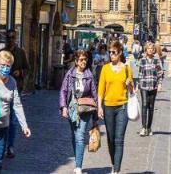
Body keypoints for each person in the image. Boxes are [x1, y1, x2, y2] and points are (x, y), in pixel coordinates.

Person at [0, 49, 31, 173]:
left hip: (3, 128)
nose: (5, 68)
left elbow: (17, 105)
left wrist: (24, 125)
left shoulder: (12, 82)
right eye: (3, 65)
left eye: (8, 66)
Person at [97, 40, 135, 174]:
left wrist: (129, 83)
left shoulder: (126, 68)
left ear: (120, 54)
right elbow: (101, 89)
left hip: (122, 107)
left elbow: (132, 91)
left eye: (114, 52)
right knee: (110, 138)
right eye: (110, 52)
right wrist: (99, 107)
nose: (111, 55)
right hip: (108, 106)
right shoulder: (105, 68)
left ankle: (116, 170)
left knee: (119, 139)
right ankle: (114, 162)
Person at [59, 49, 98, 174]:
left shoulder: (89, 75)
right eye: (81, 60)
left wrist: (96, 114)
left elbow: (94, 94)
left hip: (86, 109)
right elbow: (63, 91)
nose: (83, 62)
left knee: (80, 136)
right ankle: (77, 160)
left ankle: (79, 166)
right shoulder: (70, 74)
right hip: (72, 109)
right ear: (76, 61)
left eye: (85, 59)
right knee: (74, 135)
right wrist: (63, 107)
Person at [2, 29, 30, 158]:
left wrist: (20, 72)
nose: (11, 39)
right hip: (2, 89)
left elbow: (27, 69)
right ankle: (2, 145)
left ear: (16, 38)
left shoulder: (20, 53)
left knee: (12, 119)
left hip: (15, 88)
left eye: (13, 37)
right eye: (9, 37)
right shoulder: (2, 53)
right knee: (2, 117)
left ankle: (10, 146)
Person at [137, 42, 163, 136]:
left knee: (151, 106)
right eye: (148, 49)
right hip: (143, 85)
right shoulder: (142, 60)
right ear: (146, 50)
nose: (150, 50)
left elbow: (160, 73)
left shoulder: (157, 60)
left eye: (152, 49)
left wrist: (160, 84)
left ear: (154, 50)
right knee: (144, 104)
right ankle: (143, 127)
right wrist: (137, 86)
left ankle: (149, 127)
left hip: (153, 85)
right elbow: (140, 74)